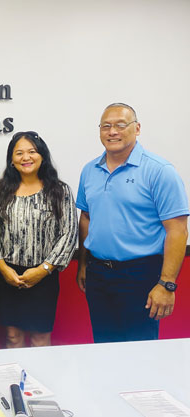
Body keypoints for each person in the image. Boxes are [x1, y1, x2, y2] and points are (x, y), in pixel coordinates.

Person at [76, 103, 189, 343]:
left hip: (141, 275)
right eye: (106, 126)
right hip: (99, 274)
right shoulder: (89, 171)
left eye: (120, 125)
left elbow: (177, 230)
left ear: (137, 128)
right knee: (104, 347)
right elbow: (86, 218)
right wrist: (83, 266)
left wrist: (167, 284)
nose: (112, 132)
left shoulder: (159, 171)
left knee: (139, 353)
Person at [0, 131, 77, 348]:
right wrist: (2, 268)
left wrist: (43, 269)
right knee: (13, 337)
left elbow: (68, 234)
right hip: (8, 275)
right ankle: (13, 382)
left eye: (32, 152)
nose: (26, 157)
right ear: (11, 160)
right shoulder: (0, 191)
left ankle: (39, 381)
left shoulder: (59, 191)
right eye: (19, 153)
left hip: (44, 276)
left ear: (42, 156)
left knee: (40, 338)